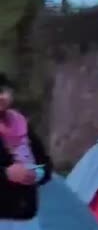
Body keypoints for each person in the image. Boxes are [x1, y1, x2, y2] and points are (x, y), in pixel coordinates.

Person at [0, 73, 52, 226]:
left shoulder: (21, 124)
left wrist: (37, 173)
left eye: (3, 91)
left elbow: (45, 162)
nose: (1, 97)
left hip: (26, 216)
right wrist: (6, 174)